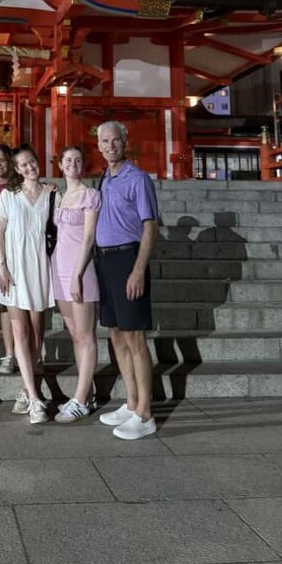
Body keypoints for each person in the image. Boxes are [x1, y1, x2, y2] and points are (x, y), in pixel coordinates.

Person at [95, 120, 159, 440]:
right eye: (105, 141)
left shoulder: (138, 178)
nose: (110, 146)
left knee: (134, 338)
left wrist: (138, 269)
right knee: (116, 335)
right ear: (99, 146)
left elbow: (150, 226)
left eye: (115, 140)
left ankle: (145, 413)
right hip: (104, 261)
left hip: (127, 259)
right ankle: (132, 402)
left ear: (125, 141)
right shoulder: (104, 178)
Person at [0, 144, 54, 424]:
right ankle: (36, 400)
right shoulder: (9, 195)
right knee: (21, 333)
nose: (29, 167)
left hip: (39, 266)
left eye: (32, 162)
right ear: (16, 169)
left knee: (37, 332)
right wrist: (1, 265)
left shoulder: (52, 194)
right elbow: (0, 231)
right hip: (13, 269)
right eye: (23, 165)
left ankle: (27, 391)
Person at [51, 146, 100, 423]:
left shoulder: (90, 195)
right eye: (67, 160)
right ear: (60, 165)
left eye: (77, 160)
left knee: (86, 337)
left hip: (79, 270)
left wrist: (77, 274)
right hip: (58, 268)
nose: (72, 164)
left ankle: (80, 399)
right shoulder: (59, 196)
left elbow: (89, 237)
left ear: (83, 165)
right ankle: (88, 393)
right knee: (75, 336)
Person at [0, 144, 17, 374]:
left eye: (2, 159)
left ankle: (28, 353)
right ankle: (9, 354)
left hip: (22, 250)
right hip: (0, 250)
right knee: (6, 305)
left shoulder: (22, 185)